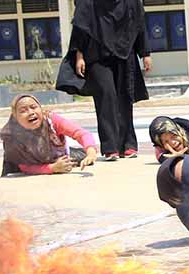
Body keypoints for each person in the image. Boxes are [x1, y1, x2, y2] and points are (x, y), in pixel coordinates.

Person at [57, 0, 152, 161]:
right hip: (96, 54)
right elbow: (80, 28)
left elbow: (139, 24)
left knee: (124, 97)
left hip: (125, 53)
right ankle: (110, 147)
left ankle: (128, 145)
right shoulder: (88, 2)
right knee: (105, 96)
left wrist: (145, 53)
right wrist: (79, 56)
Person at [0, 94, 97, 176]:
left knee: (82, 156)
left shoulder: (51, 121)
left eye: (33, 107)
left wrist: (91, 152)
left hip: (56, 156)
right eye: (23, 111)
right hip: (21, 168)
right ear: (15, 117)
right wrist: (52, 168)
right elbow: (24, 167)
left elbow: (81, 133)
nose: (31, 113)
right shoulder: (11, 136)